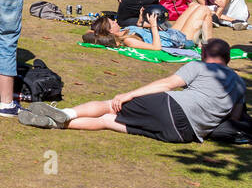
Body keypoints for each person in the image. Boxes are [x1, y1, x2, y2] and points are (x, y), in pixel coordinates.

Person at [19, 39, 245, 144]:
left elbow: (167, 84)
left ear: (204, 53)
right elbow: (234, 118)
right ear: (227, 58)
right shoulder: (241, 84)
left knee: (111, 106)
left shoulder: (200, 66)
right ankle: (51, 123)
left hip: (172, 106)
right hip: (184, 134)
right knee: (108, 121)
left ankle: (67, 113)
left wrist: (129, 95)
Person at [83, 9, 210, 54]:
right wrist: (153, 26)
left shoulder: (122, 31)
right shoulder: (128, 40)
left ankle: (202, 44)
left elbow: (89, 33)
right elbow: (156, 47)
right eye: (112, 23)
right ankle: (207, 49)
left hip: (170, 33)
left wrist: (140, 23)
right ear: (109, 30)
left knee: (194, 6)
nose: (116, 21)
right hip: (179, 39)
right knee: (204, 11)